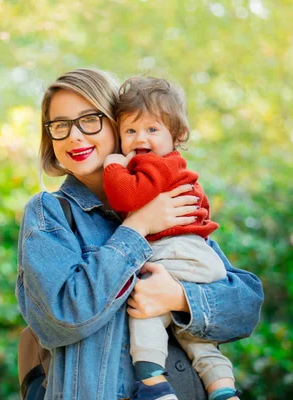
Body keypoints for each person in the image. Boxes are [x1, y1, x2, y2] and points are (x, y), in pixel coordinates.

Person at [15, 68, 263, 400]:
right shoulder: (50, 213)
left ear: (116, 123)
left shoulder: (169, 196)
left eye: (89, 119)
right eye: (60, 125)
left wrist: (178, 298)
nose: (74, 136)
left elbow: (245, 306)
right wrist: (138, 227)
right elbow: (61, 318)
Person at [102, 76, 238, 400]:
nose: (140, 139)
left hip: (176, 253)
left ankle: (153, 384)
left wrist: (112, 166)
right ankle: (224, 390)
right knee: (198, 341)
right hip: (200, 258)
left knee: (146, 308)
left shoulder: (156, 165)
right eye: (130, 131)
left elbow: (124, 195)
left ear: (176, 136)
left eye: (152, 129)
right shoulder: (174, 168)